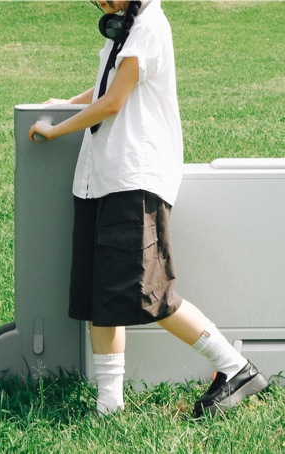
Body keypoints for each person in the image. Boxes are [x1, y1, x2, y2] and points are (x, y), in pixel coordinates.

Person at [29, 0, 267, 417]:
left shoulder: (150, 27)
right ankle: (109, 407)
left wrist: (56, 129)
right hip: (99, 178)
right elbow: (106, 86)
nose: (103, 3)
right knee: (99, 296)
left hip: (132, 179)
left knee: (150, 294)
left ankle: (236, 368)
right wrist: (68, 102)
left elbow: (112, 102)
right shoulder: (128, 27)